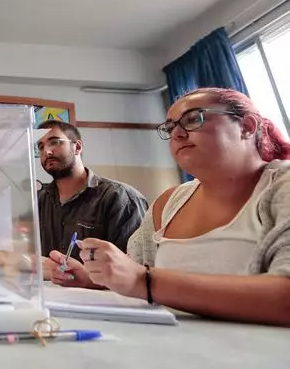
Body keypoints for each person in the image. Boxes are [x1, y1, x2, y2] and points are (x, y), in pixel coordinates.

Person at [49, 88, 290, 326]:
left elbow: (145, 280)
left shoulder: (280, 187)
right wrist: (95, 279)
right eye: (170, 127)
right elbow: (136, 274)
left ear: (247, 127)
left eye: (193, 119)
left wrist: (146, 282)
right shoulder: (169, 203)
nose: (177, 134)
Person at [36, 120, 148, 279]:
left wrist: (83, 276)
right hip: (50, 299)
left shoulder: (120, 198)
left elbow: (137, 272)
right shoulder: (39, 201)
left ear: (78, 147)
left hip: (106, 300)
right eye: (40, 146)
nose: (47, 151)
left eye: (55, 142)